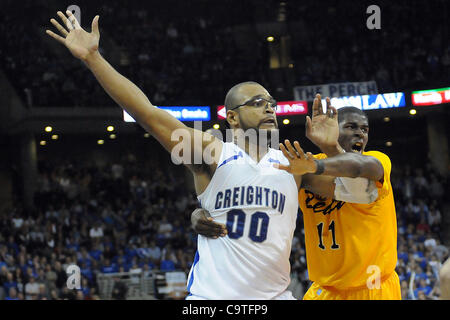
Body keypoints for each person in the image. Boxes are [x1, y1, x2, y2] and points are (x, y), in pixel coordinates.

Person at [45, 11, 375, 300]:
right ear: (231, 117)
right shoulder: (212, 151)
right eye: (257, 102)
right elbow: (147, 113)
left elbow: (364, 195)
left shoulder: (295, 163)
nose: (270, 107)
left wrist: (331, 149)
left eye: (272, 102)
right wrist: (94, 59)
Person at [193, 96, 401, 299]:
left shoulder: (376, 161)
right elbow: (246, 189)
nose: (360, 134)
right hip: (325, 289)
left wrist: (327, 151)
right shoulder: (303, 166)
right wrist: (201, 212)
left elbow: (356, 168)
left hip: (373, 288)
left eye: (364, 129)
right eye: (351, 127)